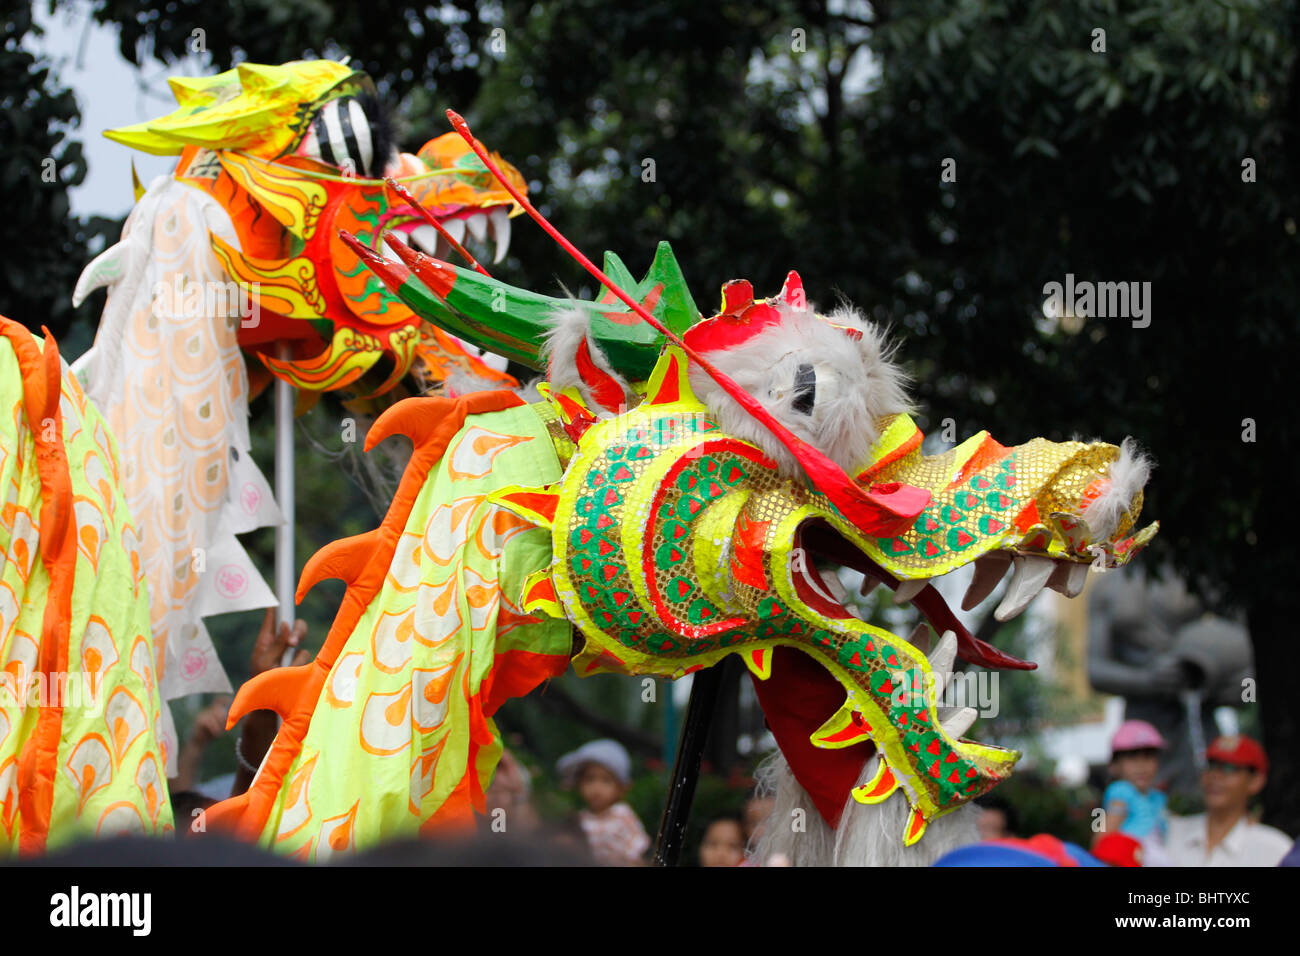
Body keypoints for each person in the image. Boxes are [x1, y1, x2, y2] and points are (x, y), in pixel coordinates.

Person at [1166, 734, 1294, 866]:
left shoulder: (1275, 849)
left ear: (1256, 781)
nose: (1215, 775)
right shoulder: (1170, 832)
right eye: (1211, 765)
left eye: (1229, 768)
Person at [556, 739, 650, 866]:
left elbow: (637, 852)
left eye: (606, 780)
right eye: (589, 779)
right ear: (578, 784)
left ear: (621, 788)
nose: (596, 788)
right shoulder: (579, 820)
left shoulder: (622, 814)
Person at [1100, 720, 1169, 855]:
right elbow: (1102, 837)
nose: (1141, 766)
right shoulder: (1120, 793)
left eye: (1148, 757)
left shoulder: (1157, 797)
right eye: (1132, 758)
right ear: (1114, 765)